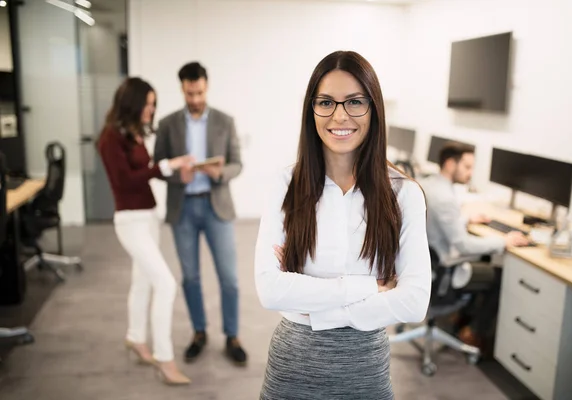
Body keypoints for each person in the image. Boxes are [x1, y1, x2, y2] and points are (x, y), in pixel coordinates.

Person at [254, 51, 432, 399]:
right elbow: (270, 291)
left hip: (365, 370)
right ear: (312, 110)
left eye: (354, 102)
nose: (339, 115)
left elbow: (413, 303)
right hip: (293, 367)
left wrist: (310, 304)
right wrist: (369, 288)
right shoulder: (285, 185)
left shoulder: (404, 194)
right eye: (326, 102)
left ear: (374, 108)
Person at [96, 77, 192, 385]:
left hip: (149, 217)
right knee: (165, 283)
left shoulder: (133, 134)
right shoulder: (110, 138)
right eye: (147, 104)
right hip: (131, 222)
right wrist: (165, 165)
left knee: (143, 282)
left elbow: (142, 173)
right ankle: (165, 360)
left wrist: (174, 170)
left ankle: (136, 337)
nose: (151, 110)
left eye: (153, 105)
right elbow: (125, 180)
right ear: (133, 103)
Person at [154, 62, 247, 365]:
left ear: (206, 86)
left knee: (230, 278)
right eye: (189, 93)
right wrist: (174, 174)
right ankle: (199, 333)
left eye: (199, 92)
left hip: (215, 205)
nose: (195, 98)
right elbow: (159, 166)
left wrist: (219, 172)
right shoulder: (167, 124)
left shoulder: (224, 121)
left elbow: (237, 163)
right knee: (191, 277)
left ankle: (232, 335)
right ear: (182, 88)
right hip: (182, 208)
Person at [419, 142, 529, 348]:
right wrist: (504, 241)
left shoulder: (430, 185)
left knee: (484, 259)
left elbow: (440, 223)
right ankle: (473, 332)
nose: (470, 173)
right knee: (497, 275)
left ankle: (460, 320)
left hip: (429, 262)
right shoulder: (445, 197)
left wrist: (466, 220)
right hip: (443, 267)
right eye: (467, 167)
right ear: (451, 164)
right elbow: (464, 246)